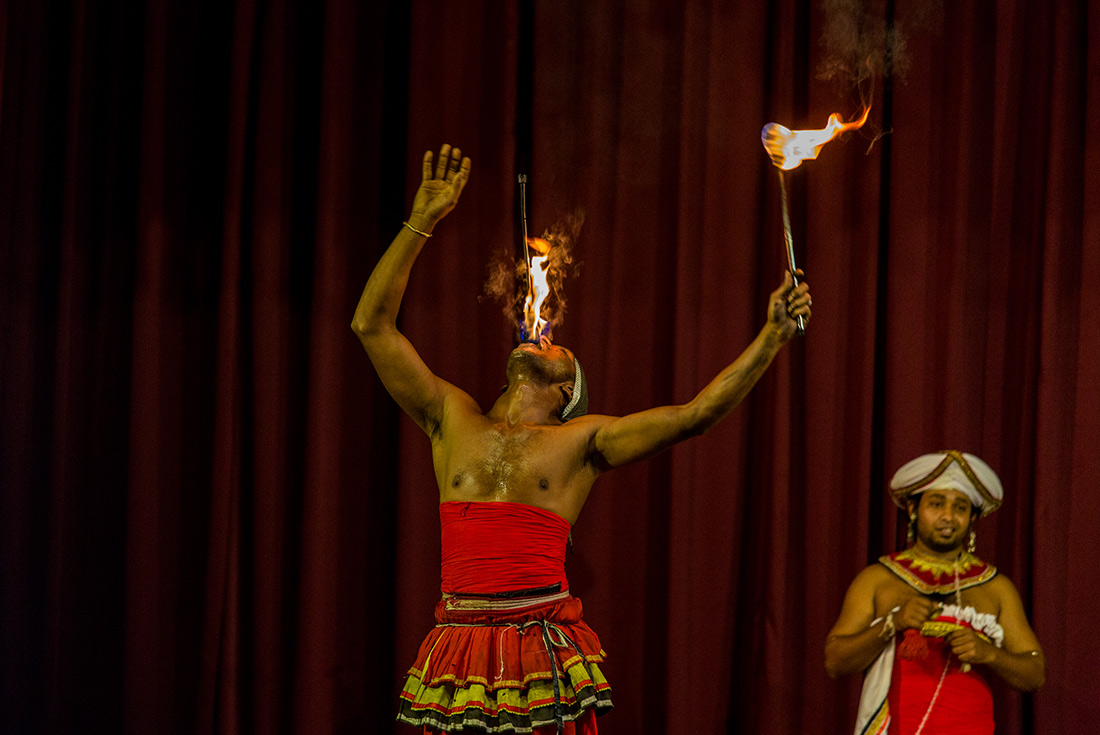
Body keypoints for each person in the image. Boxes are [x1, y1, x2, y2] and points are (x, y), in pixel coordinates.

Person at [352, 144, 813, 734]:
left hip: (536, 648)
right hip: (460, 645)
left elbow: (696, 415)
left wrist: (771, 338)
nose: (541, 330)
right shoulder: (450, 415)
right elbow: (371, 325)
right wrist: (423, 220)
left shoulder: (584, 442)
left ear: (568, 388)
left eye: (559, 344)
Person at [825, 451, 1044, 735]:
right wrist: (892, 623)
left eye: (960, 507)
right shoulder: (877, 579)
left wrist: (990, 654)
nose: (948, 516)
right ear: (913, 509)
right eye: (936, 504)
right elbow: (835, 662)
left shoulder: (995, 587)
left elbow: (1034, 673)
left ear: (972, 517)